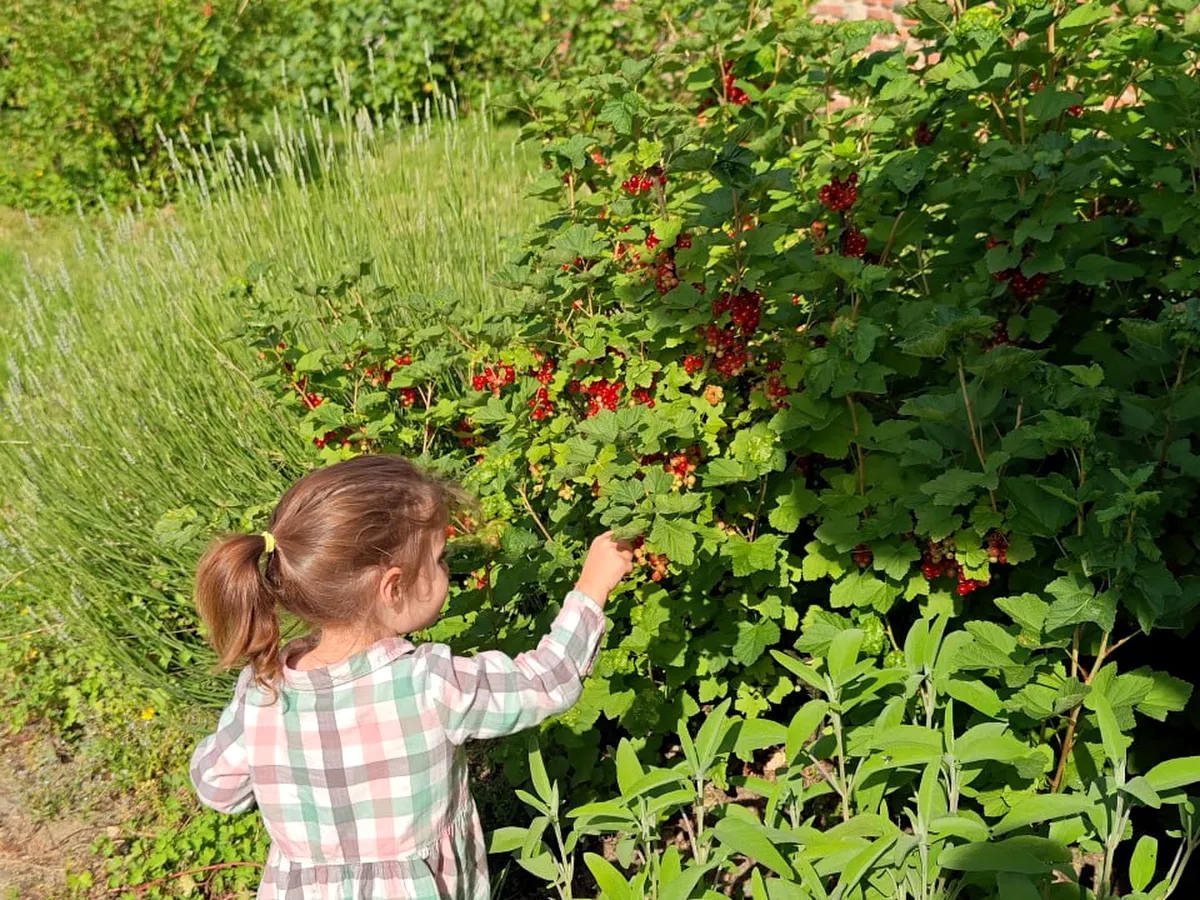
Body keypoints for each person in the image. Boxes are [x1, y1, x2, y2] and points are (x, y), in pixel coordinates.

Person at [189, 454, 635, 899]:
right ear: (393, 587)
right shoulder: (428, 683)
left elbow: (216, 787)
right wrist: (592, 586)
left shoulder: (264, 688)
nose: (445, 571)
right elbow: (545, 682)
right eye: (439, 559)